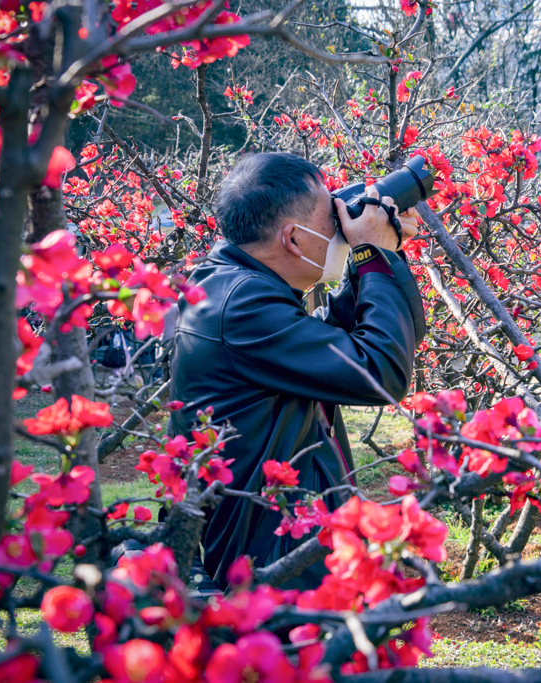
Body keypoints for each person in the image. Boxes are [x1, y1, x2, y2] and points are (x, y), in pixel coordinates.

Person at [169, 152, 425, 589]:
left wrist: (373, 262)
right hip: (273, 561)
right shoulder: (242, 306)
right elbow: (379, 371)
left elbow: (334, 352)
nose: (340, 223)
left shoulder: (233, 282)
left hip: (276, 541)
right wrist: (371, 251)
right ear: (292, 239)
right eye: (331, 215)